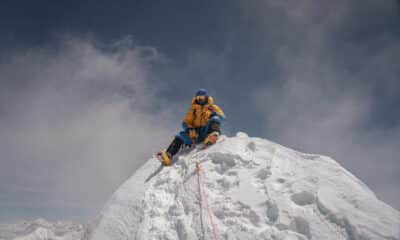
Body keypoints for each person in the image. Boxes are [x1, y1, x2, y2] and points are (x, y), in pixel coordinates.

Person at [157, 89, 225, 166]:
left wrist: (214, 114)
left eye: (202, 97)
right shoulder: (193, 110)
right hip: (196, 134)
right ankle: (168, 155)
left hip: (207, 130)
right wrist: (189, 129)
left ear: (206, 98)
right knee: (181, 135)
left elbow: (222, 116)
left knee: (215, 119)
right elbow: (185, 122)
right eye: (199, 98)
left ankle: (213, 135)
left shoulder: (212, 107)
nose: (200, 99)